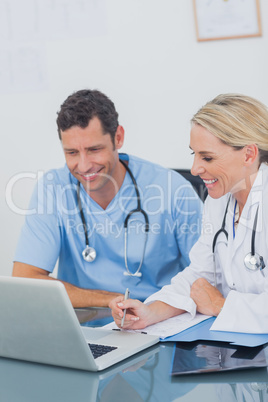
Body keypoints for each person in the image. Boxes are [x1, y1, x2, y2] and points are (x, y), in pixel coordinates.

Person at [12, 89, 202, 308]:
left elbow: (206, 278)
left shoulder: (172, 189)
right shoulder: (52, 189)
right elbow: (26, 281)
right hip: (81, 328)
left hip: (155, 324)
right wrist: (113, 301)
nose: (83, 166)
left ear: (118, 137)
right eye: (72, 153)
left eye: (94, 150)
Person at [110, 93, 268, 333]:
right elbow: (199, 277)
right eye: (194, 154)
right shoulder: (219, 201)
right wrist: (149, 312)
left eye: (207, 157)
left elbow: (211, 298)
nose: (195, 169)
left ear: (248, 154)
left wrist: (221, 305)